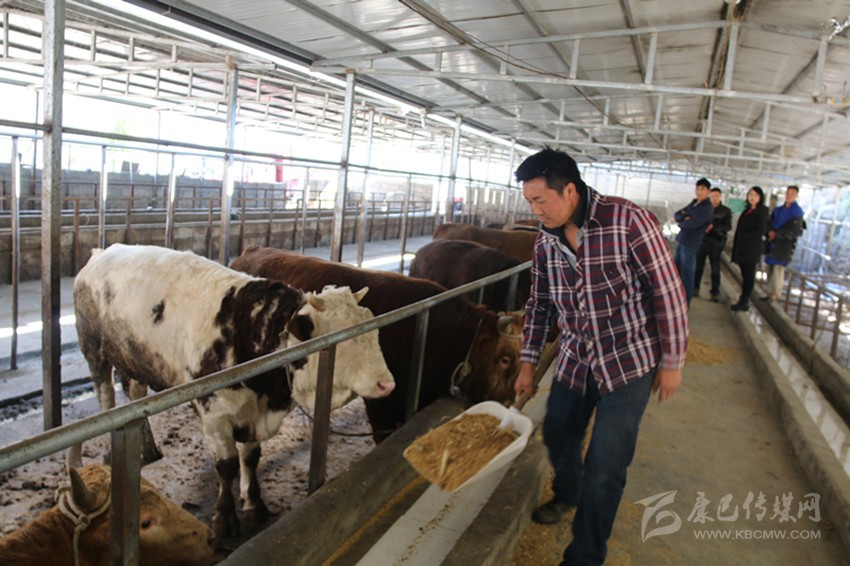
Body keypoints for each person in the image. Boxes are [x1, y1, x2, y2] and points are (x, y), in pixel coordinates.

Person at [513, 147, 688, 566]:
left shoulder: (628, 221)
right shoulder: (545, 241)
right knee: (558, 434)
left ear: (569, 191)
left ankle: (585, 557)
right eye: (530, 202)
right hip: (576, 357)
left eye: (541, 200)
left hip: (628, 361)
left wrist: (672, 362)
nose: (536, 211)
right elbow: (539, 303)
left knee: (605, 467)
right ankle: (568, 492)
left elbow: (667, 292)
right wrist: (528, 363)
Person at [673, 178, 714, 305]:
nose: (699, 191)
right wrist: (684, 217)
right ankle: (676, 300)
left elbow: (693, 224)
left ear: (708, 191)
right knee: (677, 271)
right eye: (697, 188)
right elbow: (677, 215)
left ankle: (685, 303)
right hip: (682, 241)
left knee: (686, 274)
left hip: (690, 243)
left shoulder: (707, 208)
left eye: (702, 189)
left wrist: (682, 221)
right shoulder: (695, 203)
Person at [730, 186, 770, 312]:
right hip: (743, 247)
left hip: (751, 249)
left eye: (756, 195)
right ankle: (743, 300)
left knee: (748, 276)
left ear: (760, 197)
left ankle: (744, 301)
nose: (752, 197)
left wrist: (744, 235)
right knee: (745, 274)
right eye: (751, 195)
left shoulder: (762, 212)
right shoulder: (747, 210)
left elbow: (760, 231)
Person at [764, 185, 805, 301]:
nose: (789, 195)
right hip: (772, 242)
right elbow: (769, 222)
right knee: (770, 268)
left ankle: (775, 294)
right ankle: (769, 292)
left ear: (796, 196)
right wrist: (769, 231)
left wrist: (778, 234)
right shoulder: (778, 210)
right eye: (788, 193)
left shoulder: (797, 212)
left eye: (792, 194)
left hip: (784, 245)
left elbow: (795, 231)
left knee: (778, 269)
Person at [694, 188, 733, 302]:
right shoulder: (704, 209)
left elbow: (728, 226)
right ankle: (695, 288)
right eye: (712, 196)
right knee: (698, 266)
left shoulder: (725, 211)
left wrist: (714, 228)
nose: (714, 198)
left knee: (715, 267)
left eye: (716, 196)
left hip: (716, 242)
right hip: (703, 240)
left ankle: (715, 292)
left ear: (720, 197)